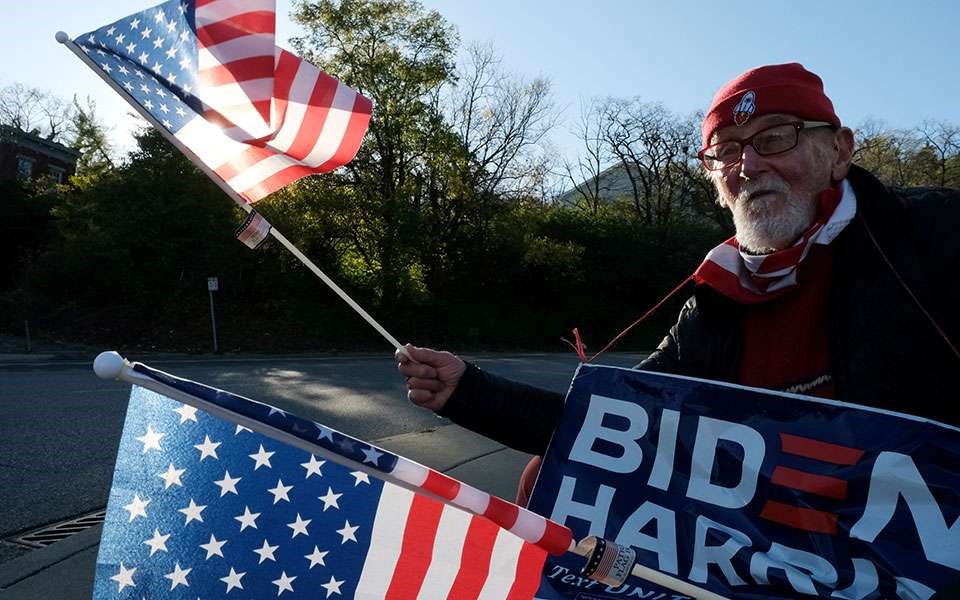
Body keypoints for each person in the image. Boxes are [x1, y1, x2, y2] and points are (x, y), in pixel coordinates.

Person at [396, 63, 960, 500]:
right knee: (543, 477)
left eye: (775, 138)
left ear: (839, 151)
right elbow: (613, 428)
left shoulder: (934, 235)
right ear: (715, 178)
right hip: (774, 561)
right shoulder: (716, 297)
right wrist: (467, 390)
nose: (749, 166)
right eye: (726, 152)